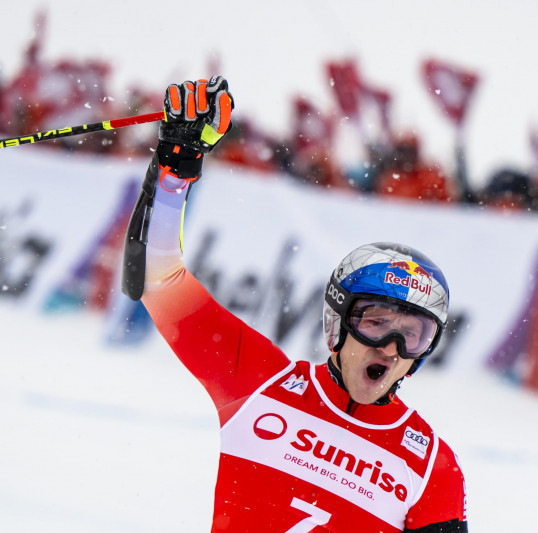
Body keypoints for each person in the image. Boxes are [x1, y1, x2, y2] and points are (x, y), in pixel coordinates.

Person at [121, 77, 468, 532]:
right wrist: (176, 165)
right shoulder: (257, 379)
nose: (391, 347)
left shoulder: (432, 467)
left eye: (414, 336)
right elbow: (155, 277)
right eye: (376, 322)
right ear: (337, 323)